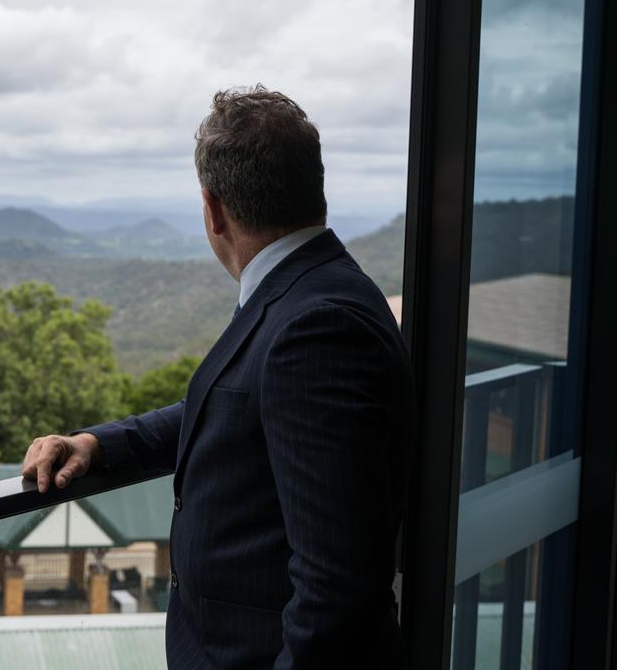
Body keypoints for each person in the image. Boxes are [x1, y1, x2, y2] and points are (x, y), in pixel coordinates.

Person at [21, 86, 414, 669]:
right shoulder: (315, 290)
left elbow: (338, 588)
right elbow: (237, 406)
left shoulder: (317, 325)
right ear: (315, 187)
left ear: (213, 208)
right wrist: (98, 444)